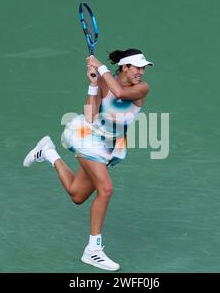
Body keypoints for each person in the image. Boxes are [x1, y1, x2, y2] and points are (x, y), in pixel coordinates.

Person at [23, 48, 153, 271]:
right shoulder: (105, 82)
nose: (141, 72)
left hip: (109, 145)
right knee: (106, 189)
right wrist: (93, 84)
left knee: (77, 194)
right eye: (137, 67)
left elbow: (120, 95)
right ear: (125, 67)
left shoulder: (142, 88)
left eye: (143, 68)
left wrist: (100, 67)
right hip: (87, 137)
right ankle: (93, 250)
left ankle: (48, 152)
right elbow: (91, 115)